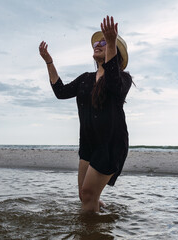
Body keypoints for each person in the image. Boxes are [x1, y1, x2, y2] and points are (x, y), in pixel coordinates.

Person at [39, 16, 132, 213]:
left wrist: (112, 42)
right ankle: (103, 219)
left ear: (114, 50)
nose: (97, 45)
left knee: (89, 194)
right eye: (96, 43)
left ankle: (87, 232)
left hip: (110, 144)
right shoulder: (85, 79)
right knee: (85, 195)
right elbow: (60, 92)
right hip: (88, 144)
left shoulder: (123, 77)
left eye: (103, 42)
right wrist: (49, 62)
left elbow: (113, 83)